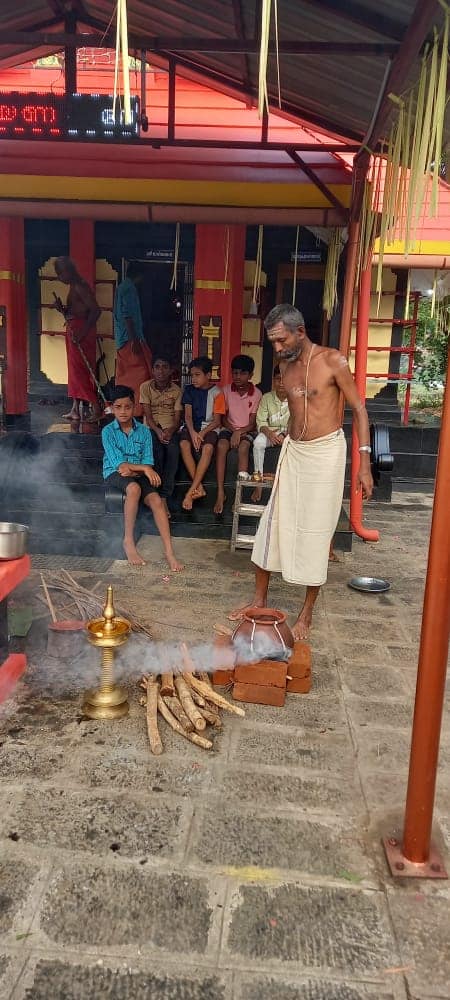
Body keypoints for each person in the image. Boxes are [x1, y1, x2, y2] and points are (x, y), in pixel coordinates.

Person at [229, 304, 373, 640]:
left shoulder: (333, 361)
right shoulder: (285, 365)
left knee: (317, 529)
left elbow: (360, 409)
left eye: (281, 340)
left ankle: (306, 613)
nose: (277, 349)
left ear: (300, 332)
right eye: (273, 343)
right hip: (294, 453)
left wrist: (364, 463)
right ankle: (259, 599)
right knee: (271, 524)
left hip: (326, 453)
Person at [102, 384, 184, 571]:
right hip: (113, 473)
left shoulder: (144, 431)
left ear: (134, 407)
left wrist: (139, 470)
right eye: (118, 407)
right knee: (134, 488)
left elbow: (148, 461)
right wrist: (144, 470)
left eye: (128, 407)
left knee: (156, 499)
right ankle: (128, 541)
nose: (123, 411)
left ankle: (169, 552)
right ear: (112, 408)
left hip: (138, 473)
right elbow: (119, 465)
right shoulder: (107, 432)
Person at [53, 256, 102, 422]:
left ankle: (96, 408)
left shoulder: (80, 286)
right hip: (76, 330)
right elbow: (75, 312)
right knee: (74, 371)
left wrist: (82, 333)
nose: (59, 278)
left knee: (80, 371)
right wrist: (62, 309)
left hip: (82, 333)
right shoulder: (74, 286)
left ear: (67, 271)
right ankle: (75, 409)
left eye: (60, 274)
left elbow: (95, 311)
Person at [214, 354, 262, 515]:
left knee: (243, 448)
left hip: (247, 430)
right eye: (234, 373)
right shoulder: (225, 391)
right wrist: (234, 431)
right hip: (229, 428)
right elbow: (222, 418)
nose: (238, 377)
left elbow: (253, 423)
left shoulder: (257, 394)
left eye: (242, 373)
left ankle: (238, 496)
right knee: (221, 446)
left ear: (250, 375)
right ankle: (221, 492)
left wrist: (240, 432)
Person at [179, 356, 226, 511]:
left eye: (197, 375)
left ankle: (191, 491)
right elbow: (187, 416)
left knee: (208, 449)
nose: (194, 378)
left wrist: (202, 433)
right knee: (184, 444)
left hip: (210, 428)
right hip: (192, 427)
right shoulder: (189, 390)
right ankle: (198, 487)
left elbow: (217, 421)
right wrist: (193, 433)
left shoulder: (217, 393)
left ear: (208, 375)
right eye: (192, 375)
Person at [139, 356, 183, 513]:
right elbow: (148, 417)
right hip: (151, 428)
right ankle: (154, 494)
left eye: (165, 366)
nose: (161, 370)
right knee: (155, 451)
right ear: (152, 370)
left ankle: (164, 497)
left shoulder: (177, 390)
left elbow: (177, 419)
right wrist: (158, 432)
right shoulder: (145, 387)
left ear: (171, 370)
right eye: (157, 367)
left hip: (170, 428)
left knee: (173, 452)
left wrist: (169, 431)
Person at [113, 262, 152, 417]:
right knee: (142, 373)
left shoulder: (122, 287)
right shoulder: (129, 289)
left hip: (123, 339)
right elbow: (128, 316)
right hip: (129, 339)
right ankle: (135, 409)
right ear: (139, 275)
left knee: (125, 374)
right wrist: (134, 339)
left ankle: (124, 408)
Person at [251, 364, 289, 502]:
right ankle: (258, 483)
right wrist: (270, 434)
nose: (281, 383)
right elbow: (260, 422)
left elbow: (296, 422)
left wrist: (284, 435)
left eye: (285, 379)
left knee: (295, 446)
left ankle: (285, 488)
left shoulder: (295, 398)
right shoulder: (267, 397)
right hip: (269, 432)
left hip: (289, 433)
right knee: (257, 443)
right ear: (273, 380)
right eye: (278, 379)